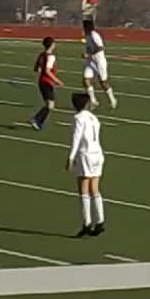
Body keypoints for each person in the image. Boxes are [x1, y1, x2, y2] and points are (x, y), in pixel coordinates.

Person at [66, 92, 106, 237]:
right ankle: (100, 220)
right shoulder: (94, 118)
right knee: (95, 188)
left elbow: (76, 138)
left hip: (86, 155)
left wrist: (70, 157)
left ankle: (87, 223)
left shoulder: (78, 118)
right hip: (98, 154)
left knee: (83, 190)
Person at [29, 37, 64, 130]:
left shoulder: (41, 55)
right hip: (47, 82)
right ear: (52, 45)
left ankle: (38, 121)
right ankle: (36, 119)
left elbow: (36, 69)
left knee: (49, 105)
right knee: (50, 105)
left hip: (41, 82)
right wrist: (57, 80)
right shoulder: (51, 56)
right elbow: (47, 71)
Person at [81, 19, 117, 109]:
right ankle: (93, 101)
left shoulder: (94, 35)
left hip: (99, 61)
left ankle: (112, 99)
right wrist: (86, 54)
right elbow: (89, 48)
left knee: (103, 82)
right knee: (86, 80)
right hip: (91, 61)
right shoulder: (87, 36)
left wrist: (89, 54)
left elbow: (100, 47)